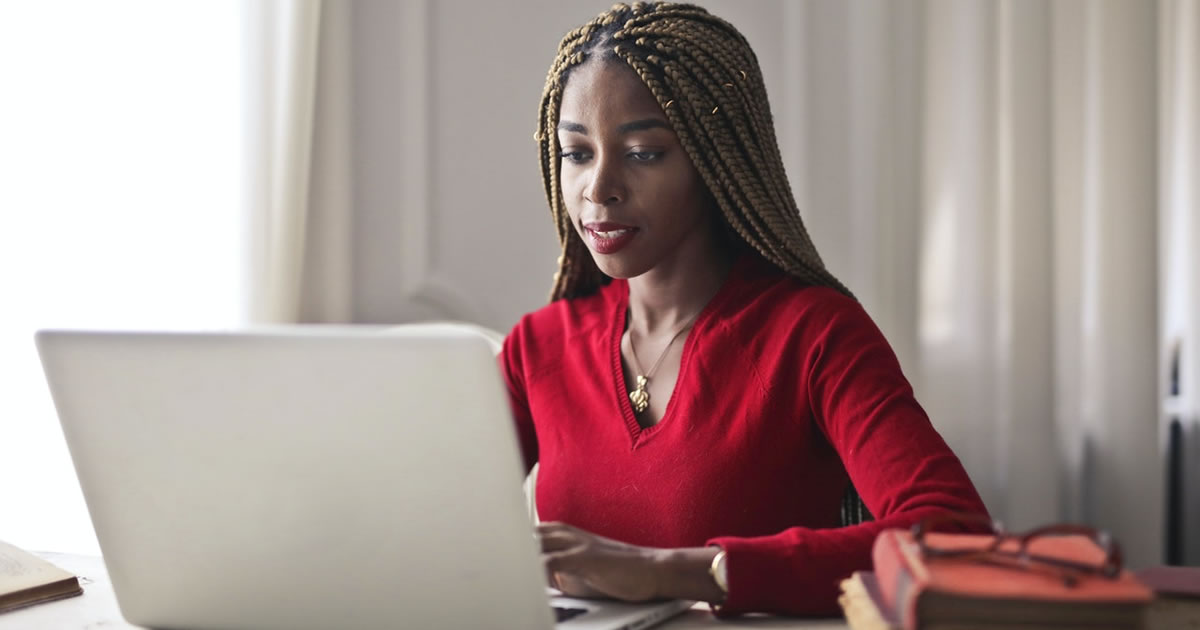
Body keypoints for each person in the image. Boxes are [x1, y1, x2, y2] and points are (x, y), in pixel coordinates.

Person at [499, 2, 988, 617]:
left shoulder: (812, 334)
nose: (599, 189)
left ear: (714, 158)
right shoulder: (536, 348)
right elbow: (426, 531)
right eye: (577, 154)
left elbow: (954, 537)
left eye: (644, 152)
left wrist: (667, 571)